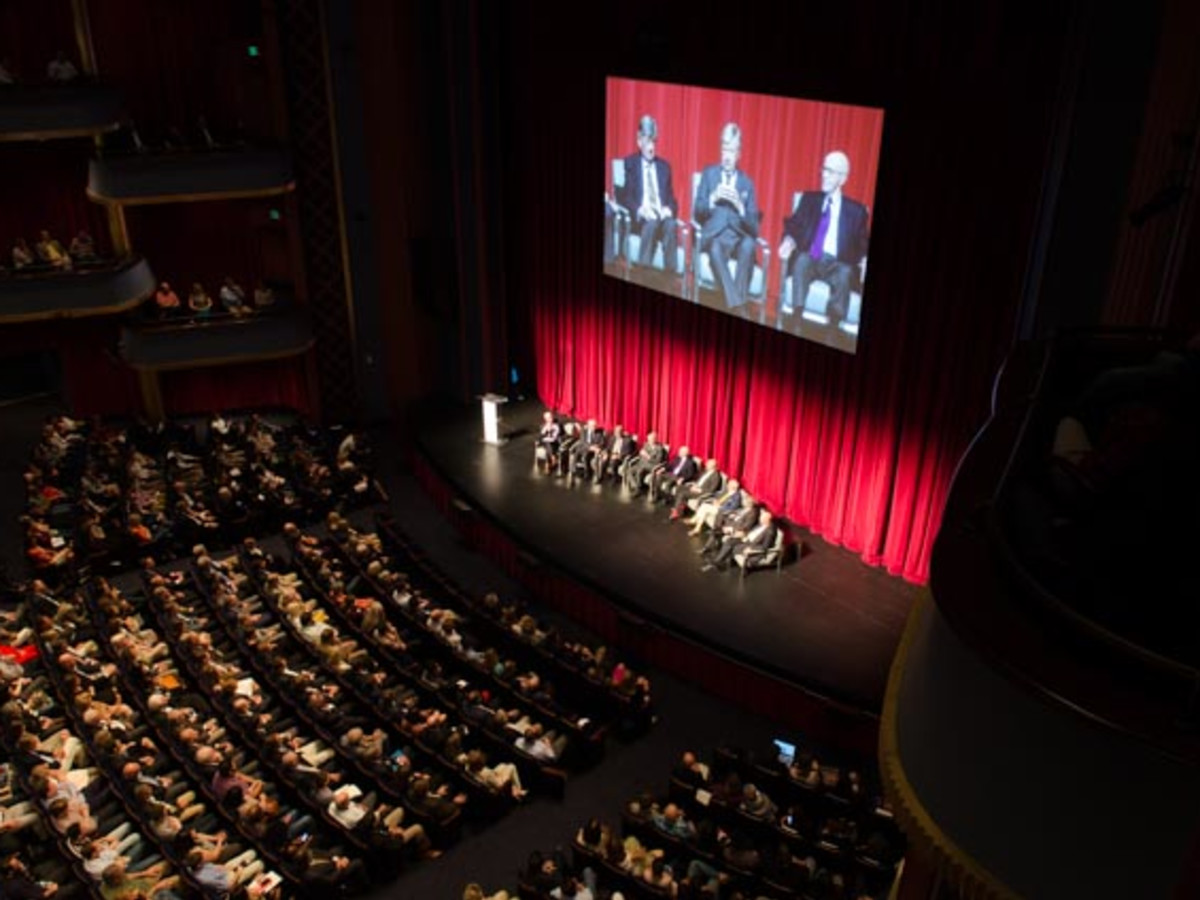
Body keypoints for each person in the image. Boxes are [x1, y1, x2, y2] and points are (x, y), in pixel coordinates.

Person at [779, 150, 870, 330]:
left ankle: (832, 330)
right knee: (801, 261)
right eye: (824, 169)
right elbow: (794, 226)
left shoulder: (857, 212)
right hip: (812, 257)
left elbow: (862, 245)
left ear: (843, 178)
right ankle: (796, 321)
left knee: (845, 273)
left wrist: (865, 259)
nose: (824, 175)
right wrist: (789, 240)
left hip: (838, 263)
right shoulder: (809, 199)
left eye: (831, 171)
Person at [693, 122, 760, 311]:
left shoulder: (747, 183)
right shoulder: (709, 174)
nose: (727, 156)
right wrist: (712, 198)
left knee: (748, 245)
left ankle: (733, 304)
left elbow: (754, 228)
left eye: (731, 151)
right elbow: (697, 212)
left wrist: (740, 207)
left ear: (739, 154)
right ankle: (738, 307)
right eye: (724, 149)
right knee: (714, 248)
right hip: (714, 236)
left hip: (737, 237)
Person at [615, 115, 679, 274]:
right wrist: (640, 209)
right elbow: (624, 197)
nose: (651, 148)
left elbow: (672, 199)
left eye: (653, 142)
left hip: (660, 217)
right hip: (642, 219)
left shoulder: (664, 167)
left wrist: (668, 209)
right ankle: (642, 274)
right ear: (639, 142)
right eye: (647, 142)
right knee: (650, 223)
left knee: (671, 224)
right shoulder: (630, 164)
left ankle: (670, 277)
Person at [703, 509, 777, 571]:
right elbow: (753, 532)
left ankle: (718, 562)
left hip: (751, 545)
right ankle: (718, 561)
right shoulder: (761, 524)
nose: (760, 518)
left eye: (762, 518)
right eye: (761, 517)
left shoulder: (770, 531)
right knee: (730, 541)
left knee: (734, 548)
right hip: (746, 539)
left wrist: (751, 548)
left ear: (767, 520)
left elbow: (765, 547)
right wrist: (744, 535)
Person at [624, 430, 666, 494]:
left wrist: (648, 457)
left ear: (655, 439)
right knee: (629, 470)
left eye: (652, 439)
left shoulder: (659, 448)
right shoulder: (646, 444)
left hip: (650, 466)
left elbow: (658, 461)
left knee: (639, 471)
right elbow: (641, 455)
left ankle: (638, 489)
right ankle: (636, 486)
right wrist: (641, 454)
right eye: (649, 439)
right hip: (641, 463)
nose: (650, 440)